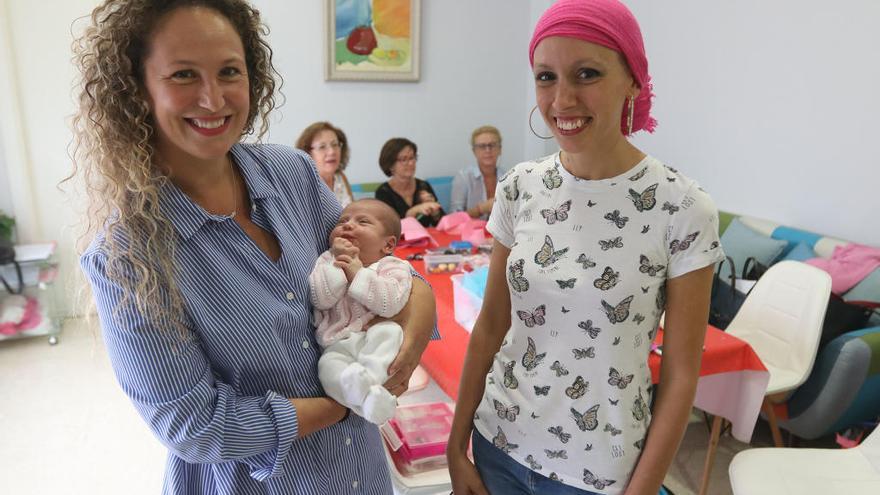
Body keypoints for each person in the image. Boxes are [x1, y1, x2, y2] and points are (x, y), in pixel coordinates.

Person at [71, 1, 436, 493]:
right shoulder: (128, 256)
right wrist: (346, 400)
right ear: (137, 90)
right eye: (183, 75)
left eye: (229, 71)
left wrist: (420, 305)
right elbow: (196, 426)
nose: (212, 97)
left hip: (361, 472)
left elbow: (383, 264)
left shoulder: (294, 175)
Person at [446, 1, 725, 494]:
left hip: (597, 473)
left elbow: (681, 374)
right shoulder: (519, 187)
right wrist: (456, 443)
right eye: (546, 77)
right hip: (498, 443)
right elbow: (491, 325)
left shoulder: (682, 207)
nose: (562, 99)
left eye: (587, 74)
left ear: (634, 81)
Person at [311, 199, 411, 425]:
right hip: (337, 343)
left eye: (363, 222)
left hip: (373, 337)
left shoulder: (393, 266)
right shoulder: (327, 260)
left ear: (387, 245)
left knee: (391, 332)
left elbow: (390, 304)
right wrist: (341, 265)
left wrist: (358, 273)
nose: (348, 225)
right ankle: (365, 399)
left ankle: (373, 383)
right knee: (326, 368)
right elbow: (320, 297)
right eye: (342, 221)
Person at [374, 137, 444, 227]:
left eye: (412, 158)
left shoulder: (424, 186)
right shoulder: (383, 193)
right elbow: (388, 230)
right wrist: (413, 212)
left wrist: (435, 212)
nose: (411, 163)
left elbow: (442, 224)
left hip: (426, 240)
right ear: (390, 165)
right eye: (404, 159)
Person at [295, 121, 354, 208]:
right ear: (307, 153)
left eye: (335, 144)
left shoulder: (340, 177)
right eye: (322, 147)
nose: (332, 152)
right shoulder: (302, 184)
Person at [451, 126, 503, 220]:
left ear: (500, 149)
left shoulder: (508, 178)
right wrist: (481, 209)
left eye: (492, 145)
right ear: (474, 151)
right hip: (471, 232)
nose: (488, 150)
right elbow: (454, 218)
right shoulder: (463, 177)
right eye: (482, 146)